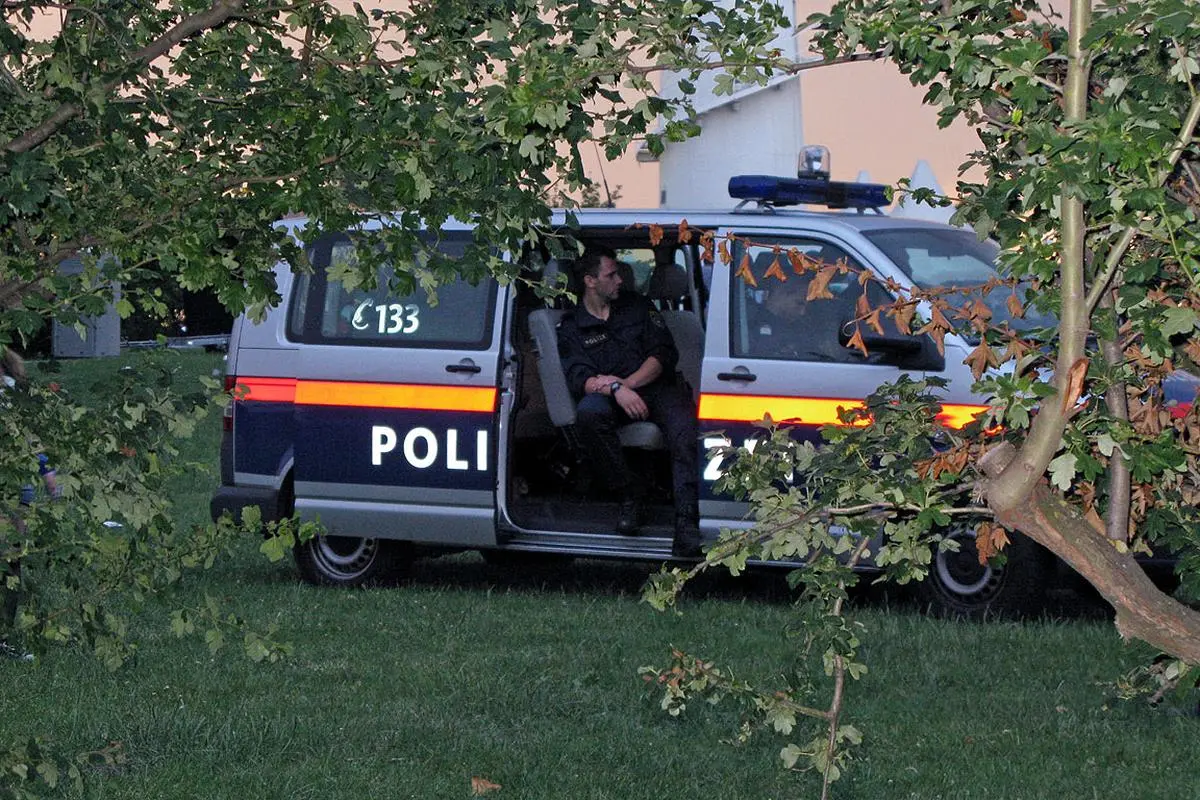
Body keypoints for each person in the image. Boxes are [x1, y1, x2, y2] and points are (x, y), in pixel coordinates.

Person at [556, 248, 701, 558]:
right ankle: (630, 495)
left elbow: (663, 354)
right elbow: (579, 377)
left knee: (684, 430)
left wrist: (629, 385)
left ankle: (686, 521)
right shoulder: (572, 324)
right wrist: (616, 390)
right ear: (590, 281)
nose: (620, 280)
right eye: (612, 275)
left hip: (654, 387)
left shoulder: (638, 307)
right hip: (610, 396)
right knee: (589, 415)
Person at [1, 347, 56, 660]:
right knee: (9, 561)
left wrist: (47, 471)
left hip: (15, 488)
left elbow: (28, 438)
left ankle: (3, 637)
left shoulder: (11, 392)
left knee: (11, 562)